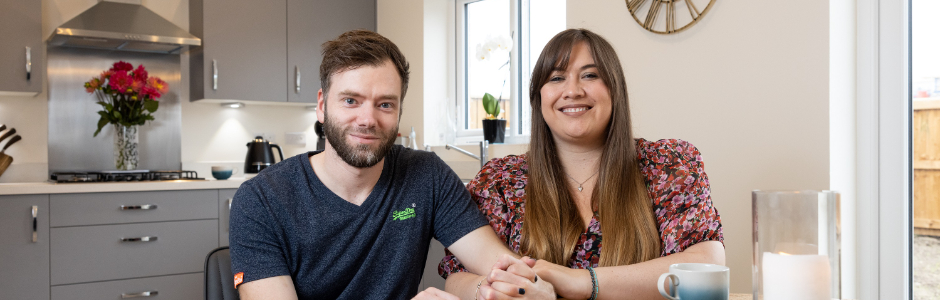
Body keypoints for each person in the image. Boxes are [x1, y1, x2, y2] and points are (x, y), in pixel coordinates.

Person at [229, 30, 553, 300]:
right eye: (350, 100)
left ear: (399, 111)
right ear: (321, 105)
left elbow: (501, 266)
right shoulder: (261, 200)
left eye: (385, 104)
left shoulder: (426, 175)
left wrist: (519, 288)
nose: (368, 119)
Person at [439, 28, 725, 299]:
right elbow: (457, 277)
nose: (572, 91)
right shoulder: (499, 180)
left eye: (589, 75)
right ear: (538, 97)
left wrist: (580, 281)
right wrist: (495, 291)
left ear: (615, 89)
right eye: (556, 78)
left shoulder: (670, 164)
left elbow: (706, 263)